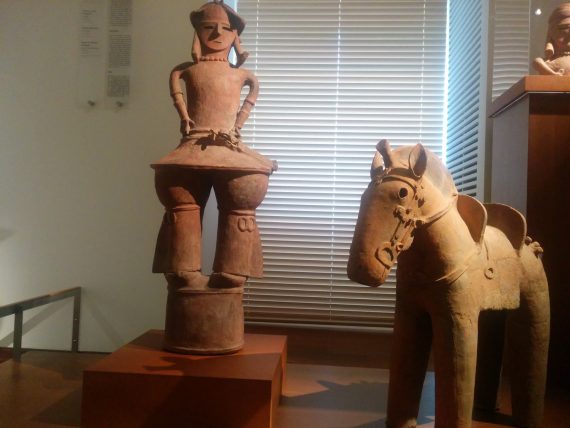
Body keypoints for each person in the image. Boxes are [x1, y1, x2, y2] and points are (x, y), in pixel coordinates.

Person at [151, 0, 277, 290]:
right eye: (209, 27)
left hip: (229, 147)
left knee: (244, 194)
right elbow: (179, 98)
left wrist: (237, 127)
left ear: (235, 36)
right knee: (180, 203)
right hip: (192, 145)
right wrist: (185, 119)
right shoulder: (184, 71)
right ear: (197, 31)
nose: (218, 34)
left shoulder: (243, 76)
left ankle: (233, 269)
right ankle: (182, 267)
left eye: (225, 28)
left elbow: (249, 99)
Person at [533, 3, 570, 75]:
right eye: (565, 28)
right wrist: (554, 74)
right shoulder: (548, 63)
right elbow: (536, 62)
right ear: (551, 32)